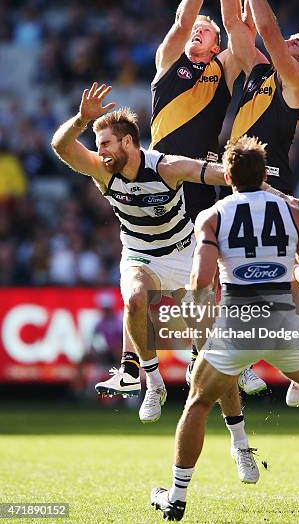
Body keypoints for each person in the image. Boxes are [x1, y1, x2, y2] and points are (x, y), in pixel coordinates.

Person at [51, 82, 261, 482]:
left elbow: (224, 174)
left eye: (108, 142)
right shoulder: (101, 169)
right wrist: (83, 120)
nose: (102, 150)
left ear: (129, 142)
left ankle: (240, 442)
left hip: (184, 258)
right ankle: (152, 382)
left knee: (215, 362)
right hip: (139, 256)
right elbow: (61, 147)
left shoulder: (165, 166)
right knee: (134, 298)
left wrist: (263, 188)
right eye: (99, 143)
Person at [96, 0, 268, 403]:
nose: (198, 32)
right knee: (144, 276)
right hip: (161, 174)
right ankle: (142, 373)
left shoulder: (225, 68)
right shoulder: (167, 63)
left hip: (204, 177)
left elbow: (243, 28)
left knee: (211, 273)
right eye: (197, 30)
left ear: (216, 46)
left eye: (205, 32)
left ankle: (220, 357)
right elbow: (180, 20)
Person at [151, 136, 299, 522]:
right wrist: (287, 269)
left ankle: (177, 497)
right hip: (284, 322)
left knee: (198, 403)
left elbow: (201, 281)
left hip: (237, 323)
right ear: (264, 174)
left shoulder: (214, 215)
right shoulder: (291, 214)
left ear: (228, 174)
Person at [220, 0, 299, 407]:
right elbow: (236, 23)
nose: (290, 42)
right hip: (235, 177)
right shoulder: (260, 68)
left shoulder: (294, 79)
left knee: (282, 276)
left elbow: (263, 24)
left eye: (297, 43)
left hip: (271, 180)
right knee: (240, 274)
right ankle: (244, 364)